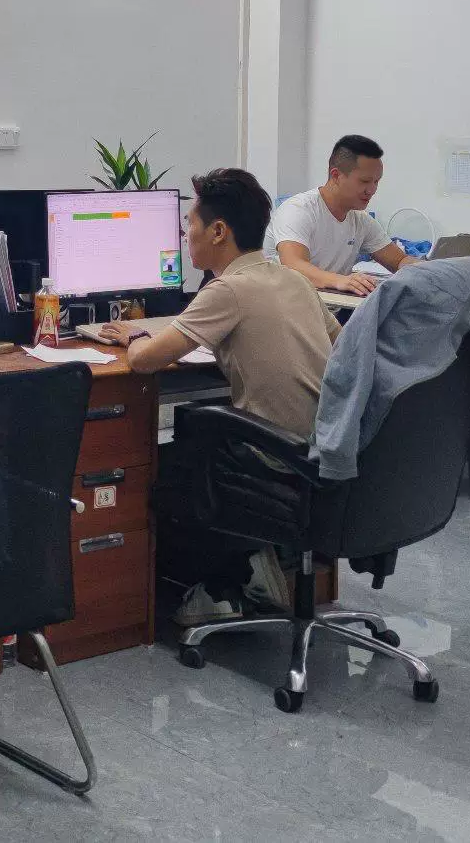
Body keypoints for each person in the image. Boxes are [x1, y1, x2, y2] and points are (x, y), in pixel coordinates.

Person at [99, 168, 339, 626]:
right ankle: (254, 562)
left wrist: (134, 336)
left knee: (167, 466)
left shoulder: (227, 289)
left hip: (277, 456)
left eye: (189, 223)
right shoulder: (293, 280)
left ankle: (227, 582)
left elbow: (145, 361)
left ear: (218, 231)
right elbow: (341, 347)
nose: (185, 234)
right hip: (324, 448)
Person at [272, 134, 415, 297]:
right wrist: (341, 280)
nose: (372, 190)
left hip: (329, 304)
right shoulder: (298, 210)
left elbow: (400, 261)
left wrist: (433, 269)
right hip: (289, 304)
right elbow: (293, 265)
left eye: (376, 182)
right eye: (364, 181)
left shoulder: (361, 220)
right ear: (336, 175)